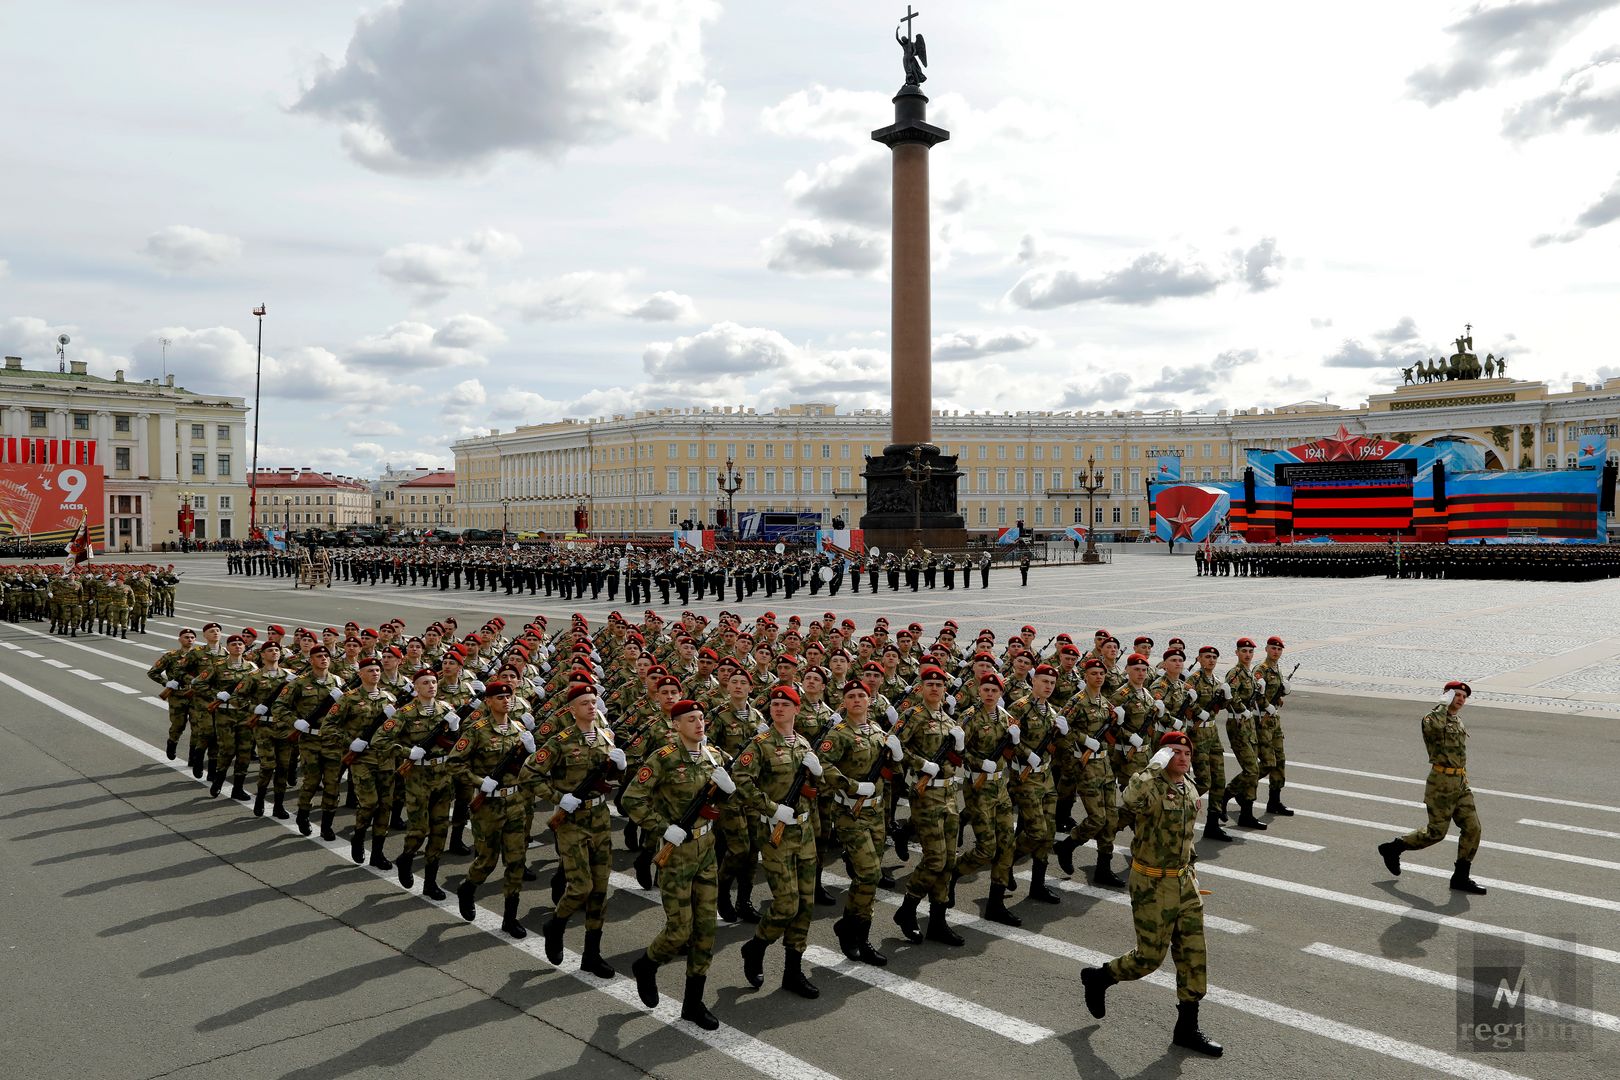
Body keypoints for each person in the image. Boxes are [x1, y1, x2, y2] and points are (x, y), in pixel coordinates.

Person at [1080, 731, 1223, 1057]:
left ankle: (1187, 1027)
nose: (1183, 756)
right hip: (1153, 885)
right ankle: (1100, 978)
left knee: (1194, 955)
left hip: (1184, 882)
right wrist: (1151, 767)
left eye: (1186, 751)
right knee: (1149, 958)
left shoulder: (1187, 786)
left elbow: (1186, 837)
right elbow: (1129, 801)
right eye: (1175, 751)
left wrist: (1191, 871)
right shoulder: (1150, 787)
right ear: (1162, 756)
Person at [624, 699, 736, 1030]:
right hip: (677, 849)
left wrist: (730, 791)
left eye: (701, 718)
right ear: (676, 725)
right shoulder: (663, 758)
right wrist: (662, 827)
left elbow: (732, 797)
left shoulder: (714, 756)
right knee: (679, 930)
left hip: (706, 848)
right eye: (691, 719)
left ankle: (693, 1003)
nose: (699, 724)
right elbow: (631, 798)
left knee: (705, 930)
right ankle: (647, 965)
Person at [522, 684, 626, 973]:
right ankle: (555, 924)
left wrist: (620, 767)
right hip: (571, 821)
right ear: (571, 709)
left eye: (594, 702)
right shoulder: (560, 741)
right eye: (584, 703)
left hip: (600, 818)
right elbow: (528, 774)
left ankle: (591, 954)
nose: (591, 706)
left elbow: (611, 779)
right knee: (581, 886)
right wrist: (558, 798)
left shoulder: (606, 736)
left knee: (600, 889)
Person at [732, 685, 822, 997]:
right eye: (775, 704)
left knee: (805, 906)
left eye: (786, 704)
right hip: (775, 835)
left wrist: (816, 776)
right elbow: (738, 780)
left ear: (797, 710)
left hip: (804, 832)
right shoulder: (760, 744)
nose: (779, 708)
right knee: (786, 905)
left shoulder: (804, 743)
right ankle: (756, 947)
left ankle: (792, 972)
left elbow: (811, 790)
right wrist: (771, 808)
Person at [1377, 682, 1487, 894]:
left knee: (1473, 828)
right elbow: (1433, 727)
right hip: (1441, 783)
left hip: (1460, 782)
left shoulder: (1457, 721)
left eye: (1464, 696)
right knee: (1436, 833)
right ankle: (1393, 848)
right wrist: (1441, 705)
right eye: (1457, 695)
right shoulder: (1433, 718)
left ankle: (1461, 877)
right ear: (1447, 696)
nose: (1461, 699)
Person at [450, 680, 538, 938]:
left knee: (516, 861)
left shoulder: (519, 730)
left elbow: (529, 768)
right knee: (487, 860)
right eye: (499, 697)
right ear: (488, 701)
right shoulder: (476, 731)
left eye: (508, 696)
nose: (505, 700)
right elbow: (454, 763)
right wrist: (480, 782)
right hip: (488, 804)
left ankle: (510, 918)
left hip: (515, 803)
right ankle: (468, 888)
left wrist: (531, 754)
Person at [817, 679, 895, 965]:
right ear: (844, 702)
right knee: (869, 874)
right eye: (851, 696)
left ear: (870, 700)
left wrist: (896, 756)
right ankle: (856, 935)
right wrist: (850, 785)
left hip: (876, 812)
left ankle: (851, 927)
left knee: (868, 878)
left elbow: (889, 768)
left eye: (862, 695)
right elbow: (822, 765)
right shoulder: (838, 734)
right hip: (851, 813)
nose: (858, 700)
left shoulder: (876, 730)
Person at [892, 666, 966, 945]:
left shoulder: (948, 719)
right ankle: (908, 909)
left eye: (939, 684)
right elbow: (894, 745)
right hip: (926, 795)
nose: (935, 688)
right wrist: (921, 764)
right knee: (934, 858)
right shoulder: (912, 715)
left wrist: (959, 747)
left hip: (948, 794)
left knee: (948, 860)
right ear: (921, 687)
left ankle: (937, 921)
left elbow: (956, 761)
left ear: (945, 689)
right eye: (929, 683)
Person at [374, 668, 462, 901]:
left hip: (443, 775)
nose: (431, 686)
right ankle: (406, 858)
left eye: (434, 682)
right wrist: (406, 751)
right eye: (425, 682)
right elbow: (379, 740)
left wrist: (455, 730)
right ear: (416, 687)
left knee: (440, 829)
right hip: (418, 776)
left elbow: (457, 745)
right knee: (419, 829)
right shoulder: (405, 713)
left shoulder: (447, 711)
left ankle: (431, 882)